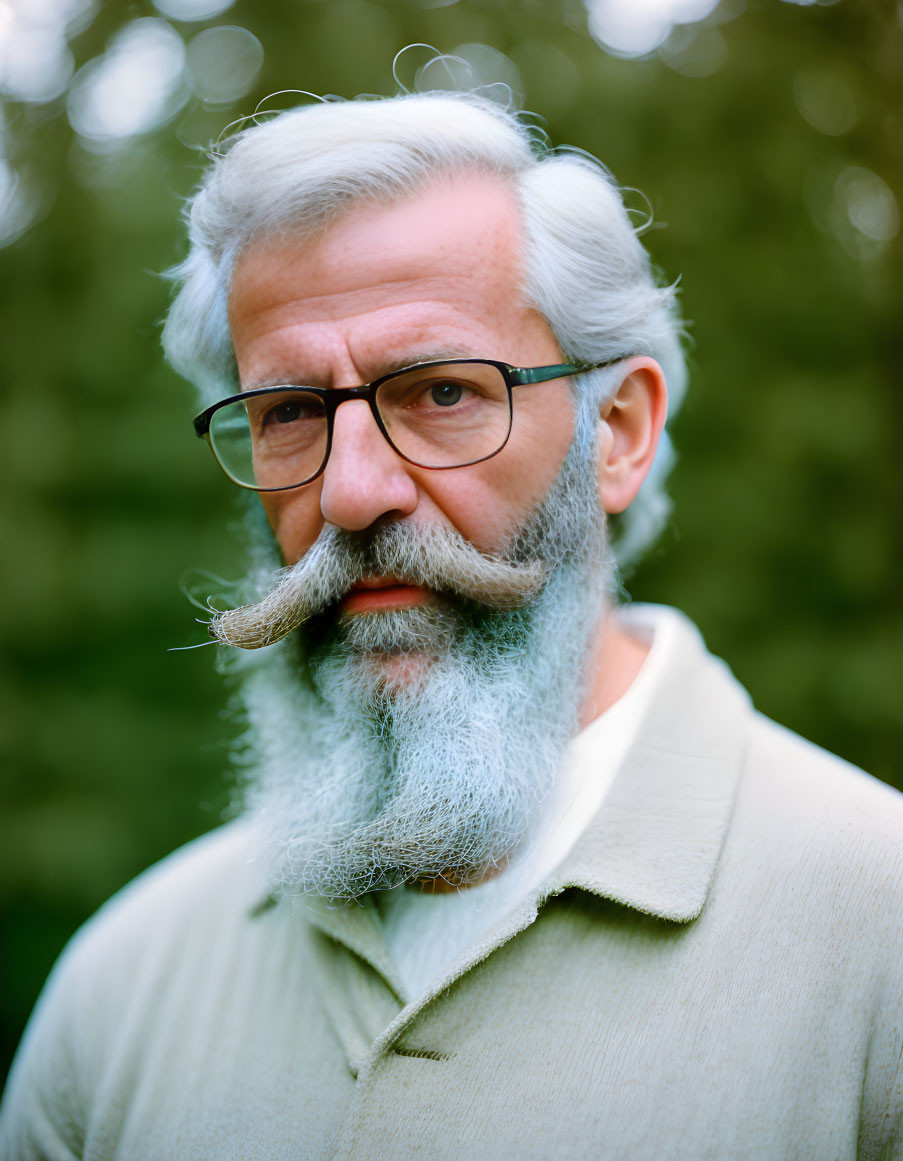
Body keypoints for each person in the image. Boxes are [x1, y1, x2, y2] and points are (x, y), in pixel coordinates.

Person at [1, 88, 901, 1161]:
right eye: (288, 412)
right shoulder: (120, 995)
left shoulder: (878, 935)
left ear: (617, 432)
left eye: (439, 393)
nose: (350, 494)